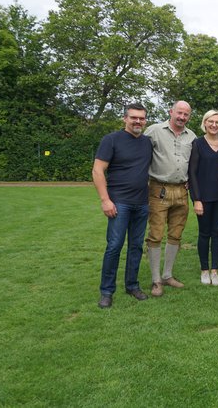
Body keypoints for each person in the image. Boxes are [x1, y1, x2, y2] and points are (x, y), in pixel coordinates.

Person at [92, 103, 152, 308]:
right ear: (125, 118)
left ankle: (132, 285)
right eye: (134, 117)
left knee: (136, 246)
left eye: (141, 118)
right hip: (119, 203)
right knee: (114, 246)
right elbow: (98, 170)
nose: (138, 121)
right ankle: (107, 291)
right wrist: (105, 200)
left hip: (142, 203)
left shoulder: (147, 143)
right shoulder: (111, 140)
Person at [144, 100, 196, 297]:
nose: (182, 117)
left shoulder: (191, 136)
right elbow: (140, 155)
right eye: (179, 113)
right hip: (158, 189)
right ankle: (156, 280)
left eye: (186, 114)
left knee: (176, 235)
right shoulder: (154, 130)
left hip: (182, 191)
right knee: (156, 234)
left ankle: (167, 275)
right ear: (171, 112)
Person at [188, 110, 218, 286]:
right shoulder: (197, 143)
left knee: (217, 234)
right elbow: (192, 173)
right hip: (203, 198)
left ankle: (215, 270)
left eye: (217, 122)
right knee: (204, 234)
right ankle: (204, 270)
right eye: (210, 121)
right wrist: (196, 199)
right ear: (205, 123)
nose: (214, 125)